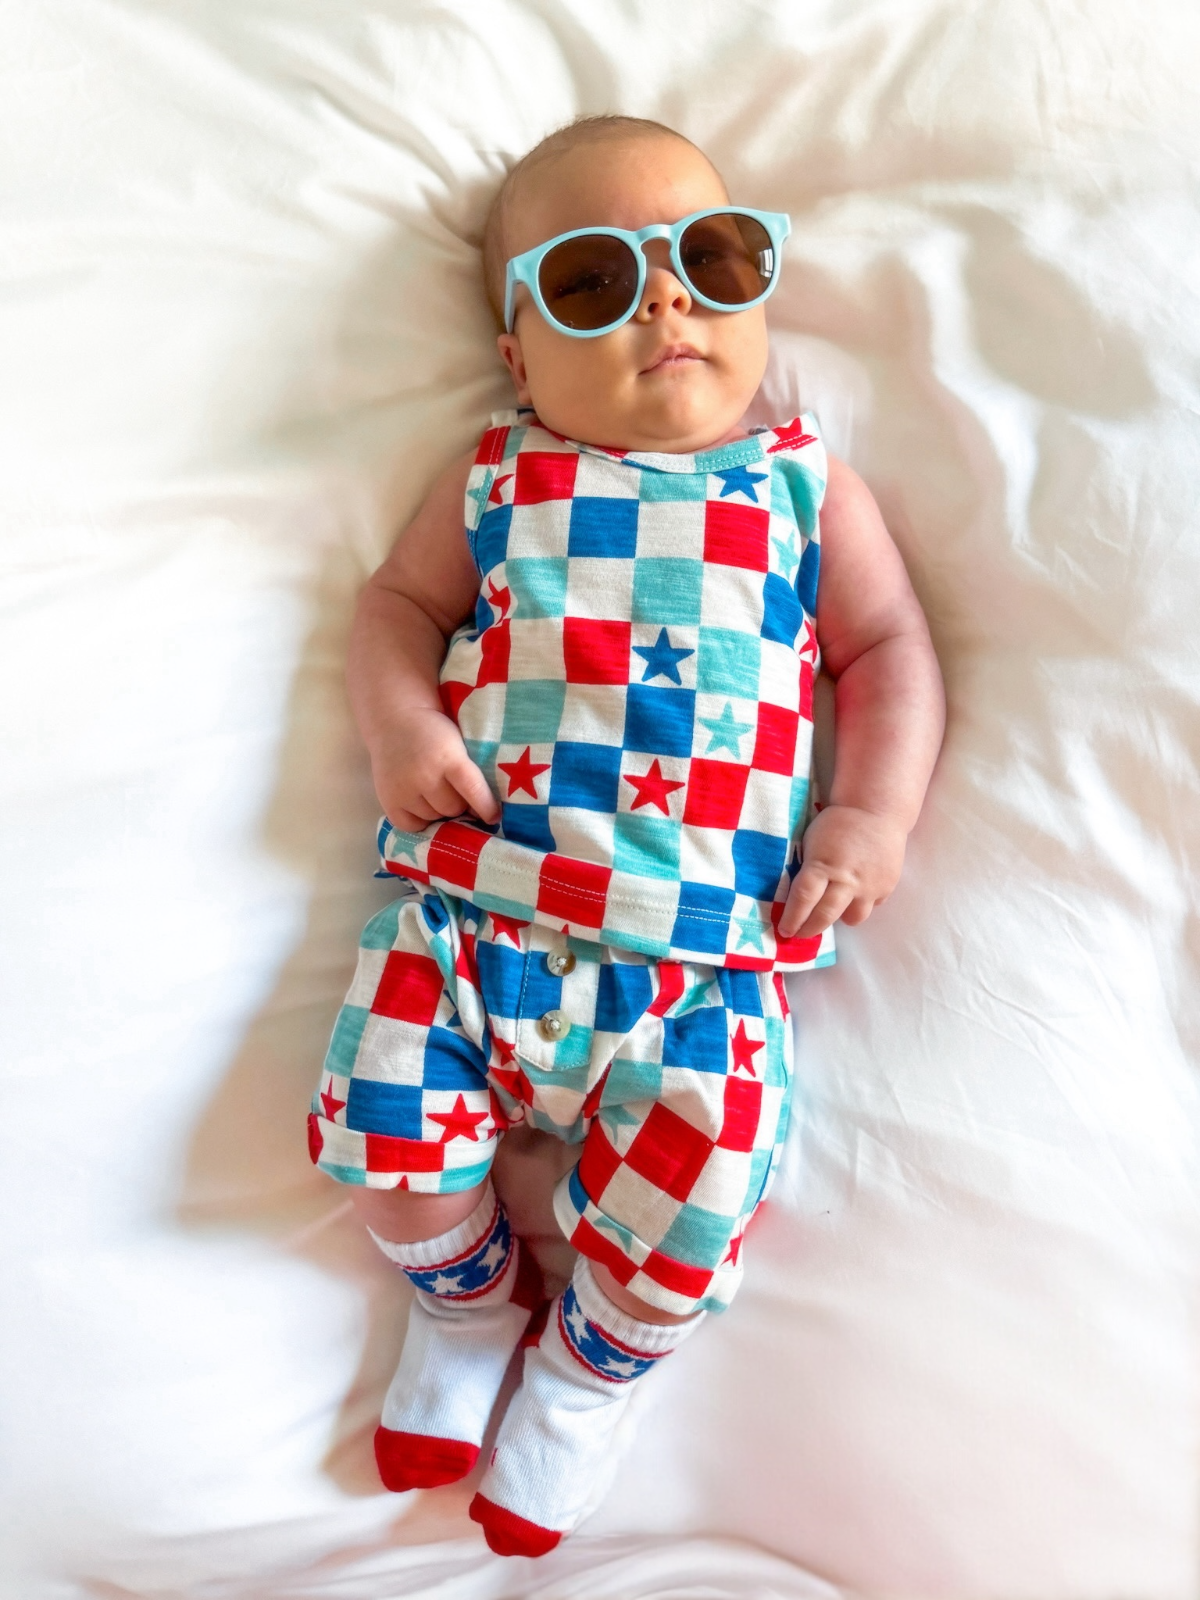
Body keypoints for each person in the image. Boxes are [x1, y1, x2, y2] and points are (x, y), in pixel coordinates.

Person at [307, 114, 945, 1557]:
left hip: (702, 959)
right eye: (596, 281)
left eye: (713, 262)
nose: (668, 301)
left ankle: (592, 1378)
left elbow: (889, 644)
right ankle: (463, 1311)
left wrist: (869, 810)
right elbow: (393, 613)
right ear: (521, 355)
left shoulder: (795, 484)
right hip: (473, 906)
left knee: (697, 1192)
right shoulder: (497, 479)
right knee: (388, 1130)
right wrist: (401, 728)